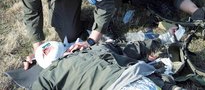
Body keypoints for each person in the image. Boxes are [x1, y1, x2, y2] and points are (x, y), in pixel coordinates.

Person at [31, 38, 181, 90]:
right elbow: (133, 48)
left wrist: (160, 40)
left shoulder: (48, 75)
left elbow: (131, 48)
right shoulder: (96, 49)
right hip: (138, 80)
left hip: (135, 79)